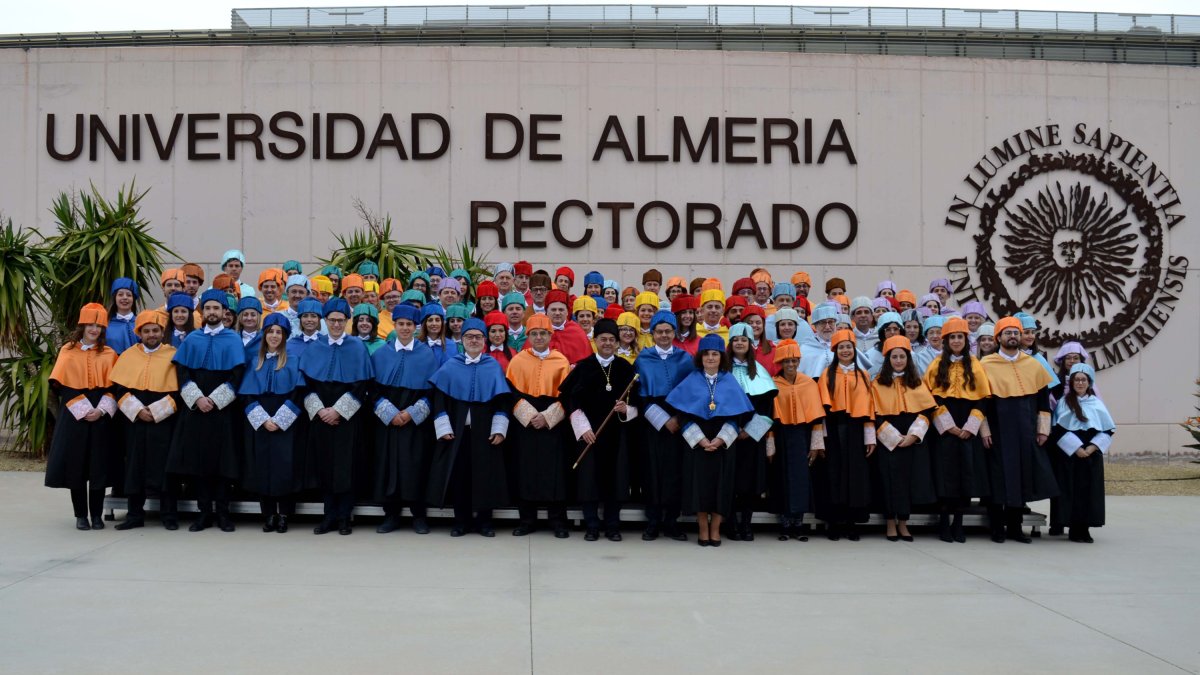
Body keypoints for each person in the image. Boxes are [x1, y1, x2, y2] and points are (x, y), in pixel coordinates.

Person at [168, 289, 246, 533]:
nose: (212, 312)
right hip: (196, 409)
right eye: (208, 308)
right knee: (200, 463)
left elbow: (237, 375)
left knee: (223, 463)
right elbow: (182, 373)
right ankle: (204, 513)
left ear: (225, 312)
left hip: (222, 411)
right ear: (202, 311)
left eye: (217, 308)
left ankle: (223, 513)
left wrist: (215, 399)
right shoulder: (192, 340)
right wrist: (198, 399)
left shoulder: (233, 339)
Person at [426, 318, 512, 537]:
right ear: (461, 340)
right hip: (457, 431)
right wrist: (443, 426)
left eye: (478, 337)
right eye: (469, 336)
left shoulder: (492, 365)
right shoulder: (451, 365)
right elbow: (439, 399)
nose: (474, 341)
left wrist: (500, 428)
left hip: (484, 432)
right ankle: (461, 521)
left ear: (484, 341)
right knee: (459, 477)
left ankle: (484, 522)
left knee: (485, 476)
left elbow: (502, 400)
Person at [668, 334, 755, 546]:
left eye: (714, 354)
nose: (710, 358)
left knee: (721, 486)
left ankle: (715, 528)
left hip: (723, 443)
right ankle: (702, 527)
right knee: (699, 486)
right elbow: (683, 415)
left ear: (721, 357)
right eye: (706, 354)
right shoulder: (692, 379)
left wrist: (720, 439)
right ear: (700, 357)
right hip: (697, 443)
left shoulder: (729, 380)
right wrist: (700, 440)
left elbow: (737, 416)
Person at [979, 316, 1059, 544]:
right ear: (998, 338)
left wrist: (1043, 430)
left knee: (1021, 477)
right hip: (997, 432)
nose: (1012, 336)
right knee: (998, 478)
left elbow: (1044, 402)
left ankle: (1015, 527)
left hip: (1025, 431)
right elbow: (980, 404)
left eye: (1016, 333)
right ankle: (996, 528)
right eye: (1008, 333)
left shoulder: (1034, 364)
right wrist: (984, 431)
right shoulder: (986, 365)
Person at [299, 298, 374, 536]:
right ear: (325, 321)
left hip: (347, 420)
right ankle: (328, 516)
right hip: (321, 417)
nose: (336, 325)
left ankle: (344, 517)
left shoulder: (356, 347)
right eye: (332, 320)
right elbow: (306, 384)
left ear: (346, 321)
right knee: (325, 466)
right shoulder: (314, 347)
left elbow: (361, 385)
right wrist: (321, 410)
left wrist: (338, 411)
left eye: (340, 321)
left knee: (346, 468)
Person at [560, 318, 638, 541]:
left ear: (616, 343)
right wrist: (583, 428)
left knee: (616, 479)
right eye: (603, 339)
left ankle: (612, 525)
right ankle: (592, 524)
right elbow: (569, 400)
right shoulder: (583, 367)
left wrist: (626, 409)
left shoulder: (626, 368)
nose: (607, 343)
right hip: (589, 434)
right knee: (589, 479)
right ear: (595, 341)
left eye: (611, 340)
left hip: (617, 434)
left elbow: (638, 402)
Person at [45, 303, 119, 530]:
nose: (94, 329)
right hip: (74, 414)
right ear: (83, 325)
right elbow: (60, 385)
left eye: (98, 326)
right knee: (76, 465)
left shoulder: (109, 353)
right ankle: (80, 515)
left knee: (99, 465)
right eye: (90, 324)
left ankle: (97, 515)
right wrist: (84, 410)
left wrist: (100, 410)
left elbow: (115, 387)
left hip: (101, 416)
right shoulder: (67, 350)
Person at [371, 304, 440, 535]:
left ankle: (418, 515)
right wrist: (390, 413)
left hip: (414, 422)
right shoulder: (381, 353)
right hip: (388, 421)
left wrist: (411, 413)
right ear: (394, 325)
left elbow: (431, 392)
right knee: (388, 465)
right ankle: (391, 514)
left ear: (415, 327)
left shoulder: (426, 354)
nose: (404, 328)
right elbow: (373, 389)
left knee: (415, 466)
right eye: (400, 324)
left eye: (409, 324)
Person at [924, 316, 993, 543]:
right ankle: (944, 522)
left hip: (967, 430)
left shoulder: (975, 365)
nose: (955, 341)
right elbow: (931, 398)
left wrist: (970, 427)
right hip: (944, 430)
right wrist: (948, 426)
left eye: (959, 337)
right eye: (952, 337)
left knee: (965, 476)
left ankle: (959, 523)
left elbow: (982, 399)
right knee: (945, 476)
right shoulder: (936, 365)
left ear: (966, 339)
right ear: (946, 340)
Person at [111, 310, 180, 530]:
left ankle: (169, 515)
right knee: (135, 466)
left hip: (164, 420)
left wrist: (158, 412)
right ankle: (134, 516)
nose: (151, 334)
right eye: (147, 331)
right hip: (135, 420)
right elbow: (119, 388)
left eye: (155, 330)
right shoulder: (128, 355)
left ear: (162, 332)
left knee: (165, 467)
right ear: (139, 333)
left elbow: (179, 391)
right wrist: (139, 411)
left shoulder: (173, 354)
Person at [507, 315, 573, 537]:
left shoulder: (561, 361)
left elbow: (568, 396)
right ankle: (527, 520)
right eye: (534, 333)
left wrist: (547, 417)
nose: (538, 337)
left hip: (551, 423)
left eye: (543, 333)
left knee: (554, 471)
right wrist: (528, 414)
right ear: (528, 336)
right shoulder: (517, 361)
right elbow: (511, 392)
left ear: (550, 335)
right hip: (525, 422)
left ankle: (558, 520)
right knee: (525, 469)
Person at [239, 313, 305, 534]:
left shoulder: (293, 361)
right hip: (261, 421)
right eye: (270, 331)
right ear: (264, 335)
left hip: (285, 421)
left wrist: (280, 420)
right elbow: (247, 396)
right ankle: (268, 514)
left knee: (285, 467)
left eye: (279, 332)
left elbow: (297, 394)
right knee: (263, 467)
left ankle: (284, 514)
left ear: (285, 337)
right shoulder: (254, 363)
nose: (274, 336)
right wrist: (262, 420)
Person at [633, 310, 695, 541]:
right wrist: (663, 420)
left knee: (674, 473)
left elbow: (690, 393)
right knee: (652, 472)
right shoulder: (644, 358)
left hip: (679, 422)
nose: (664, 335)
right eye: (659, 331)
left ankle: (672, 521)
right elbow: (640, 396)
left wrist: (677, 419)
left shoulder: (685, 358)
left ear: (674, 332)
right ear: (653, 333)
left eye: (668, 331)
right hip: (653, 422)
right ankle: (653, 521)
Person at [870, 336, 937, 542]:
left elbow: (926, 411)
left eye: (902, 357)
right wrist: (892, 437)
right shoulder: (877, 383)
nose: (898, 360)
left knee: (909, 482)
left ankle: (904, 523)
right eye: (894, 357)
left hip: (911, 439)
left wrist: (914, 435)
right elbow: (875, 414)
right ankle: (890, 522)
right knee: (888, 480)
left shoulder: (917, 382)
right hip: (888, 439)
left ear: (908, 359)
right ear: (887, 360)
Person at [816, 329, 876, 541]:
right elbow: (821, 410)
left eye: (848, 347)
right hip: (833, 429)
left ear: (854, 350)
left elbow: (868, 407)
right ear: (835, 350)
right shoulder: (827, 374)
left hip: (856, 429)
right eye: (841, 347)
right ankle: (833, 522)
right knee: (833, 475)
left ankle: (852, 522)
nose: (845, 351)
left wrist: (870, 438)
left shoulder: (863, 375)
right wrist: (819, 439)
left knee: (855, 476)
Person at [768, 340, 825, 541]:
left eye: (793, 361)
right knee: (781, 478)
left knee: (801, 479)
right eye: (786, 362)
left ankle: (798, 524)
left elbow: (817, 417)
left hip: (802, 435)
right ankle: (785, 523)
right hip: (782, 435)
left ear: (799, 361)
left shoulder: (808, 383)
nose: (790, 365)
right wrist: (770, 444)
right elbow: (771, 418)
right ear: (780, 363)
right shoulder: (773, 384)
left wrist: (816, 444)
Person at [1049, 363, 1113, 543]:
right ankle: (1073, 529)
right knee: (1071, 491)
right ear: (1072, 382)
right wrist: (1077, 449)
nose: (1080, 383)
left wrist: (1092, 448)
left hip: (1091, 455)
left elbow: (1107, 430)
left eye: (1083, 380)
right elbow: (1059, 429)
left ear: (1089, 382)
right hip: (1071, 455)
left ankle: (1085, 528)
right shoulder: (1064, 402)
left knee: (1089, 492)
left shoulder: (1096, 403)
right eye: (1076, 379)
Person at [727, 323, 778, 541]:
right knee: (728, 480)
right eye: (736, 339)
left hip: (750, 436)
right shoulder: (722, 370)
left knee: (748, 482)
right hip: (726, 434)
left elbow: (767, 409)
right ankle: (730, 524)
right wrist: (729, 430)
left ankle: (746, 524)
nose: (740, 343)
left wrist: (749, 431)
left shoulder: (760, 371)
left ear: (750, 344)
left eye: (744, 340)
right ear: (730, 344)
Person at [546, 290, 593, 363]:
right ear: (547, 312)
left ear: (567, 312)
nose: (557, 313)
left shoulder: (577, 332)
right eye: (553, 310)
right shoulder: (540, 330)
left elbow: (585, 363)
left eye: (561, 309)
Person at [107, 277, 141, 354]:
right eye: (120, 294)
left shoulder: (141, 323)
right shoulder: (106, 324)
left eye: (129, 295)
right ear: (115, 298)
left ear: (133, 299)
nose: (125, 297)